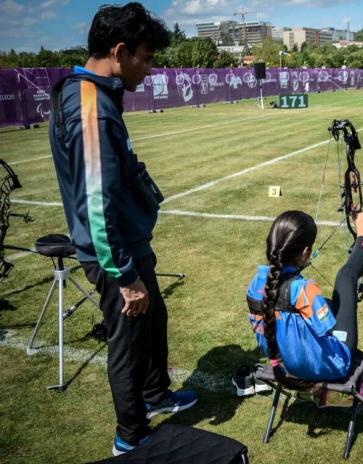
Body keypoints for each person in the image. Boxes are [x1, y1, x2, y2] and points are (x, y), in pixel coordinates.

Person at [48, 3, 196, 456]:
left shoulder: (95, 95)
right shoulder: (90, 105)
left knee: (155, 322)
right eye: (146, 58)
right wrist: (124, 275)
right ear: (119, 50)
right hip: (115, 254)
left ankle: (156, 396)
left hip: (129, 244)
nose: (149, 70)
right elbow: (96, 202)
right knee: (129, 342)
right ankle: (129, 436)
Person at [244, 210, 363, 386]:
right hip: (328, 366)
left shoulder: (255, 283)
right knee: (345, 276)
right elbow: (328, 328)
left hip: (282, 363)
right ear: (305, 253)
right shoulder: (305, 290)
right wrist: (362, 232)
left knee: (327, 304)